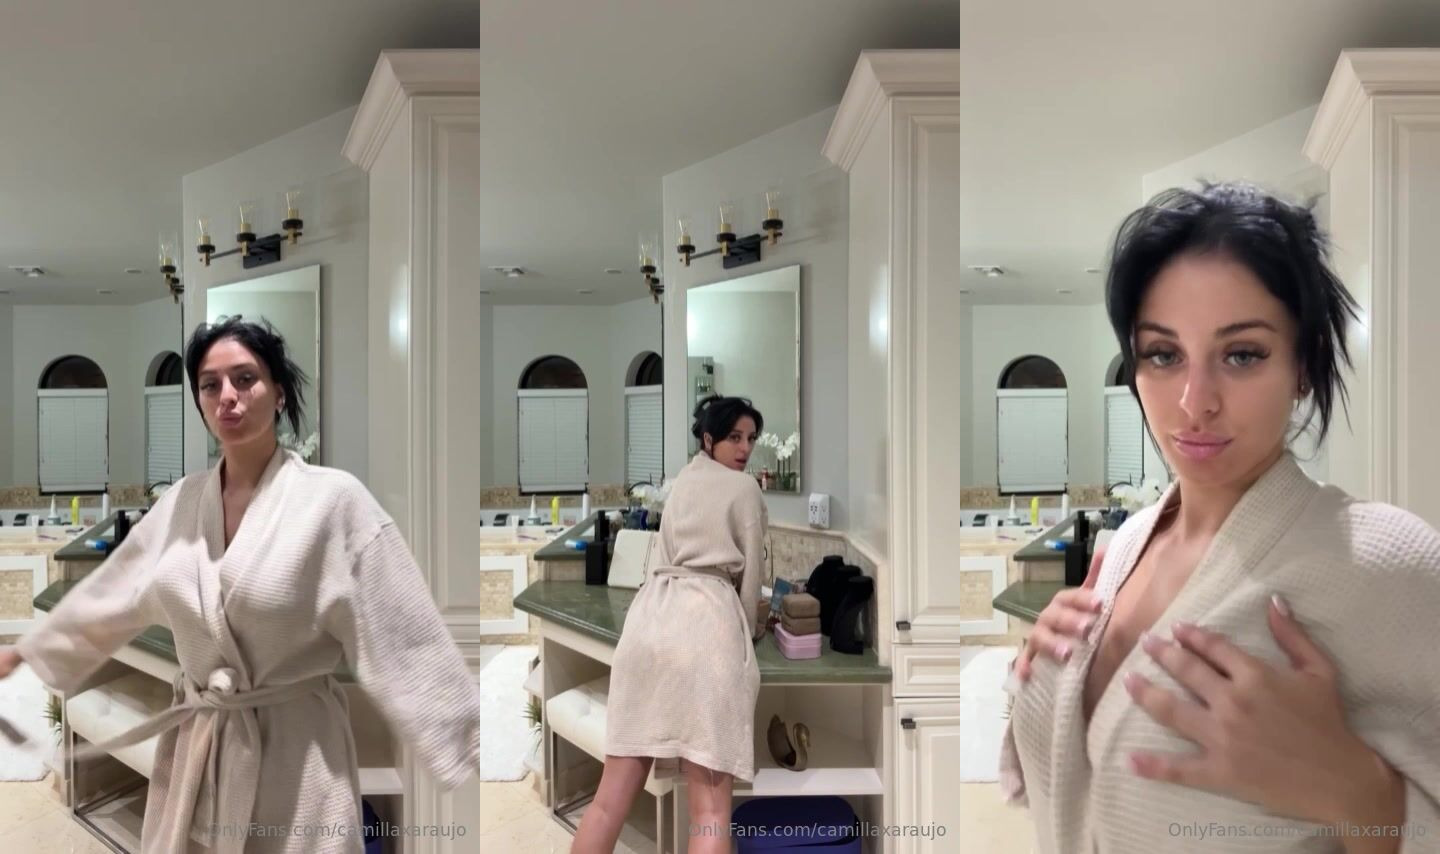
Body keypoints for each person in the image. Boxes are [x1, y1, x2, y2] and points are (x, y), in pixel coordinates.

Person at [999, 182, 1440, 853]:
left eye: (1242, 354)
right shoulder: (1125, 547)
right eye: (1163, 353)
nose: (1193, 402)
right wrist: (1043, 673)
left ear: (1301, 367)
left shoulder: (1382, 563)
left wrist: (1359, 791)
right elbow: (1068, 787)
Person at [0, 316, 479, 853]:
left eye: (245, 379)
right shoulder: (182, 502)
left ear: (278, 392)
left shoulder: (333, 501)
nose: (227, 395)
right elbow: (113, 592)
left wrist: (463, 733)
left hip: (297, 756)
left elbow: (403, 629)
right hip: (200, 749)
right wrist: (24, 652)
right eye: (210, 385)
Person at [571, 395, 769, 854]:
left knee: (607, 804)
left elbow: (661, 558)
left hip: (648, 627)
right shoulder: (745, 490)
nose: (745, 448)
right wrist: (751, 631)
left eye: (751, 439)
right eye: (735, 437)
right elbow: (753, 580)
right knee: (710, 814)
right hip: (706, 628)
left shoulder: (680, 483)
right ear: (709, 439)